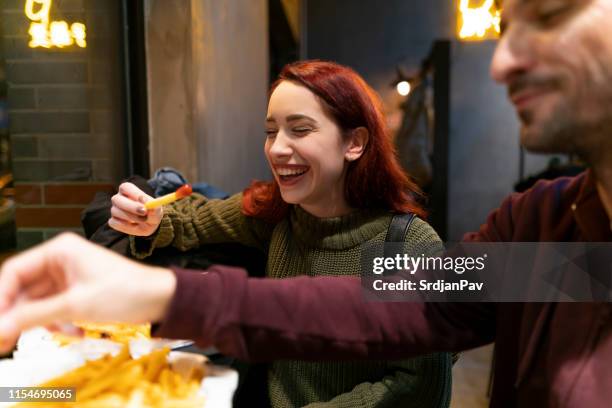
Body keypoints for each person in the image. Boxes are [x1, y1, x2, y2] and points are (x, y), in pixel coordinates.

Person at [1, 0, 612, 406]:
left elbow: (412, 380)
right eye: (505, 28)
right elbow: (395, 302)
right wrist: (162, 287)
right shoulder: (547, 232)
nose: (502, 62)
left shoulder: (423, 236)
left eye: (552, 13)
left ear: (355, 145)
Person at [107, 61, 453, 407]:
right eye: (271, 132)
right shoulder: (278, 214)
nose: (276, 149)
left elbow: (418, 389)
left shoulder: (409, 245)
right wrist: (150, 218)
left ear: (355, 143)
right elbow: (192, 219)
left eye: (299, 130)